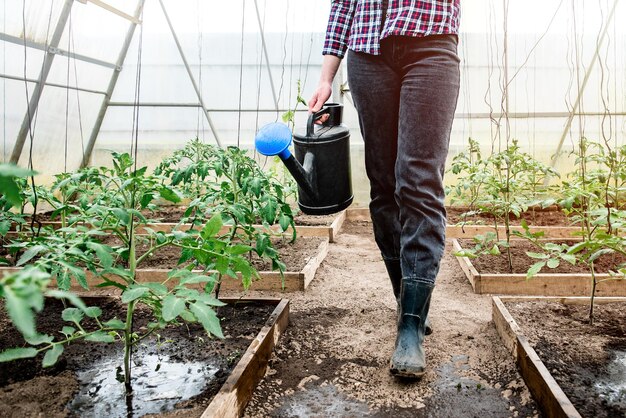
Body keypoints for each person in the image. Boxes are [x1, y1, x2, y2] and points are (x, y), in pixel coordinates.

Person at [309, 0, 460, 379]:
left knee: (419, 182)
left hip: (430, 43)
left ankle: (410, 327)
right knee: (383, 183)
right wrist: (327, 77)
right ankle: (406, 300)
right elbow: (343, 6)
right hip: (367, 53)